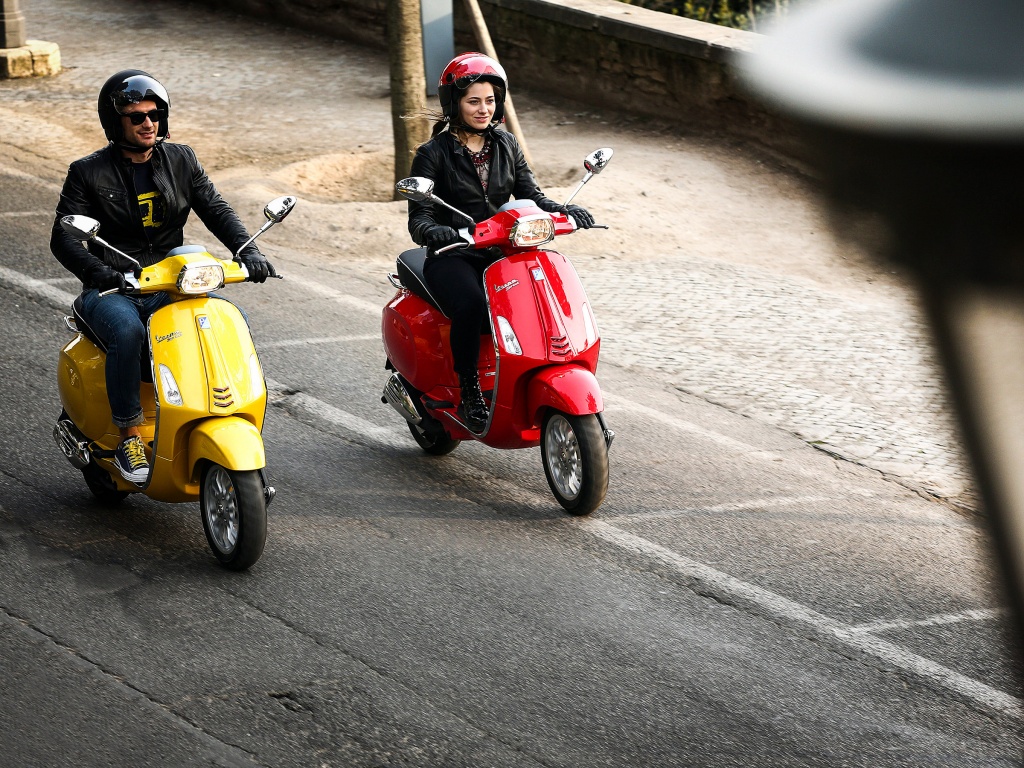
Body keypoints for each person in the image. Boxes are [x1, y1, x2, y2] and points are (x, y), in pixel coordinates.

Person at [50, 70, 275, 485]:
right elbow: (63, 238)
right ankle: (129, 437)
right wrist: (102, 272)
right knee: (127, 331)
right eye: (136, 117)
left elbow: (216, 209)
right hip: (114, 288)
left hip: (170, 282)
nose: (147, 123)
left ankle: (221, 415)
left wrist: (248, 251)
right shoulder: (87, 172)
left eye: (154, 115)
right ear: (115, 121)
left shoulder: (182, 159)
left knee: (223, 321)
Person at [407, 53, 594, 432]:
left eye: (490, 100)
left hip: (503, 250)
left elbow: (531, 195)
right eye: (474, 101)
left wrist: (566, 210)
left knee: (541, 295)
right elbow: (418, 218)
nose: (483, 109)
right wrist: (434, 231)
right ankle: (471, 391)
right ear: (455, 104)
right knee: (473, 304)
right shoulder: (433, 153)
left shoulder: (506, 143)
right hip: (453, 254)